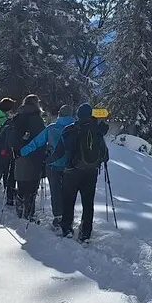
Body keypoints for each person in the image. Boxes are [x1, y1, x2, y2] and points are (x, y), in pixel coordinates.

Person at [53, 103, 109, 242]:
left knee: (68, 201)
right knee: (88, 202)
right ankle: (85, 233)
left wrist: (48, 161)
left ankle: (67, 228)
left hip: (72, 171)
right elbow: (105, 154)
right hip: (91, 172)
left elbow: (59, 152)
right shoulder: (97, 130)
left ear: (78, 115)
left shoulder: (70, 130)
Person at [20, 104, 79, 227]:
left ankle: (58, 217)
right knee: (68, 192)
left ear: (59, 113)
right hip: (71, 165)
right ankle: (68, 218)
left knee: (55, 191)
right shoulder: (76, 128)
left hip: (53, 164)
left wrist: (23, 151)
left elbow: (37, 142)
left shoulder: (51, 128)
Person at [9, 94, 48, 221]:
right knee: (32, 186)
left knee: (21, 182)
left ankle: (19, 206)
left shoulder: (17, 117)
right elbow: (41, 139)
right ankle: (29, 212)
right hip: (34, 157)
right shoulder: (36, 119)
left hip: (18, 155)